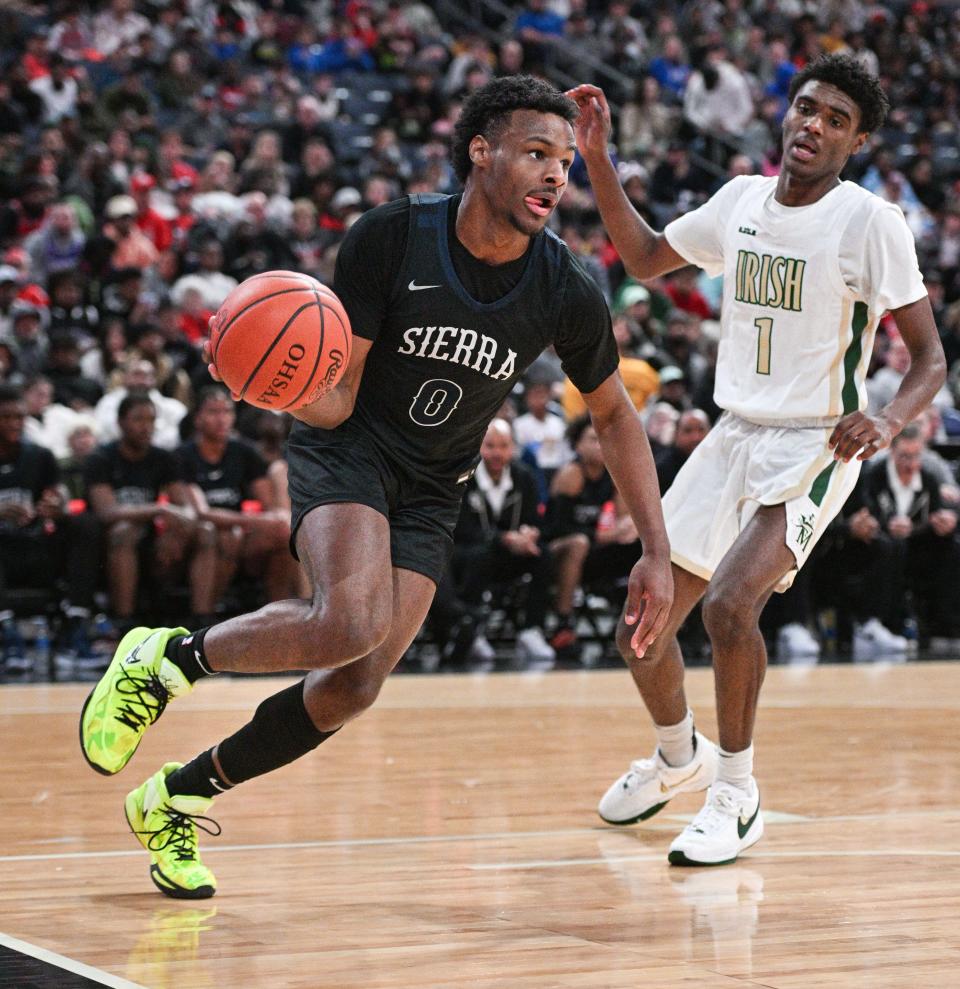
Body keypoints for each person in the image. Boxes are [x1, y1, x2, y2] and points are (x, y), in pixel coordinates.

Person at [79, 76, 672, 899]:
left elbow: (614, 417)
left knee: (356, 681)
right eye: (536, 152)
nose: (554, 174)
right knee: (346, 620)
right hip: (349, 441)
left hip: (436, 483)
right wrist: (270, 383)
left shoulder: (565, 287)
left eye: (565, 161)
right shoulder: (392, 236)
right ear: (481, 150)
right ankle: (165, 658)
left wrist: (656, 549)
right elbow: (339, 390)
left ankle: (177, 796)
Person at [567, 53, 946, 866]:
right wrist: (597, 159)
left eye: (835, 119)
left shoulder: (869, 222)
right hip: (733, 430)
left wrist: (886, 418)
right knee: (644, 619)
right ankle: (679, 756)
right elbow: (640, 258)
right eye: (807, 108)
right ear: (787, 114)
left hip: (816, 440)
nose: (814, 125)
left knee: (730, 606)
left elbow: (930, 360)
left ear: (858, 140)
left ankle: (735, 793)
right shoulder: (740, 200)